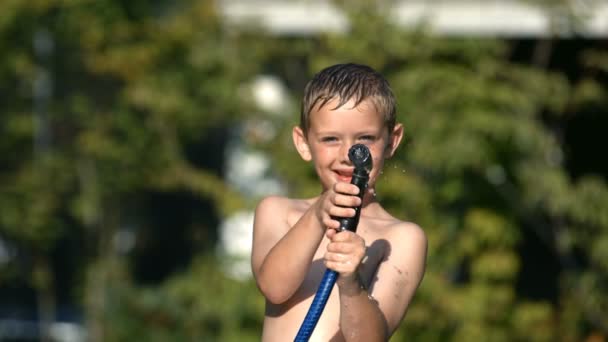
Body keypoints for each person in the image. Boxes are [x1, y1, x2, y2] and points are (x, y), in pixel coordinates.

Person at [251, 63, 427, 341]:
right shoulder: (278, 211)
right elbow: (274, 287)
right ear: (303, 143)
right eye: (330, 139)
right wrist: (316, 215)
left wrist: (350, 283)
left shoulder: (400, 238)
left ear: (392, 141)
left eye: (365, 139)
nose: (348, 154)